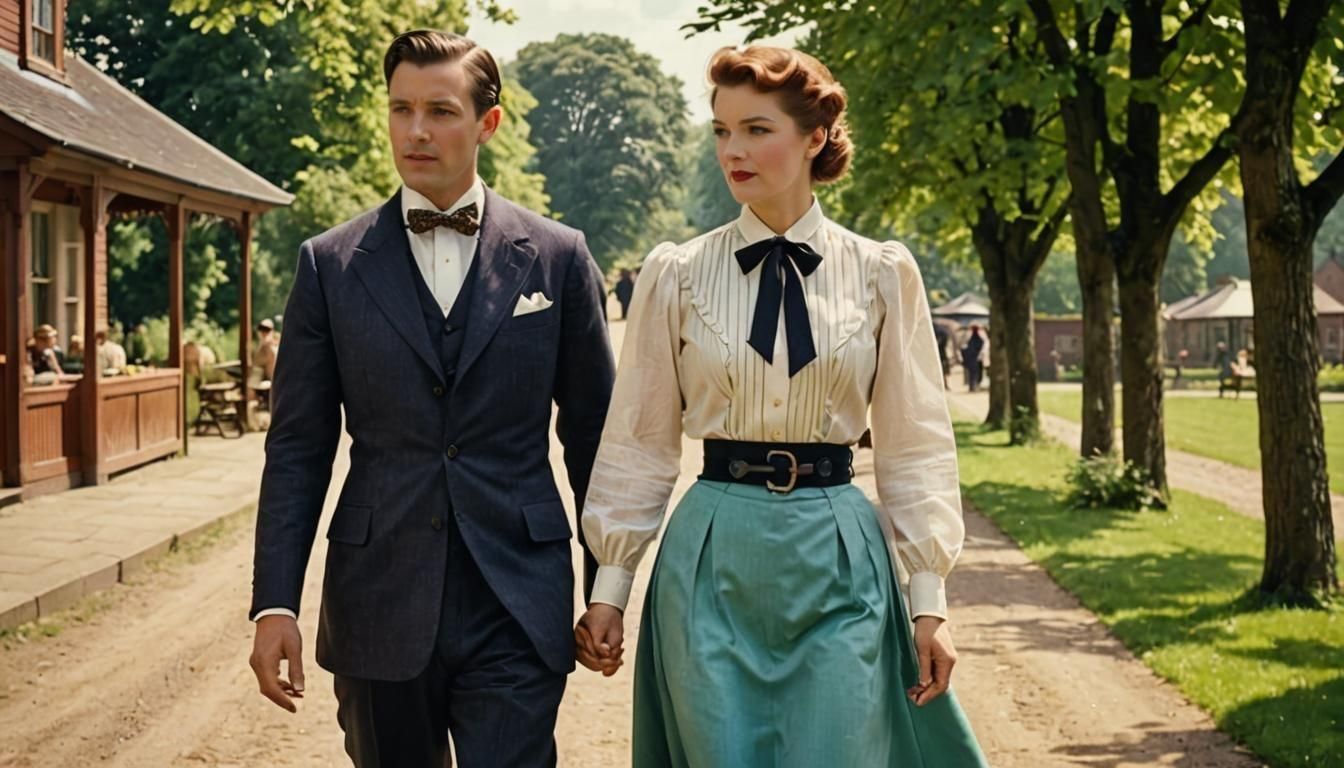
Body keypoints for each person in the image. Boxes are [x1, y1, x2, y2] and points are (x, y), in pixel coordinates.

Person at [575, 45, 986, 766]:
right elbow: (639, 439)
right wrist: (611, 587)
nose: (732, 150)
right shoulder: (675, 274)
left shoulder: (883, 273)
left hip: (839, 556)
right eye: (720, 130)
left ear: (815, 137)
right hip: (712, 557)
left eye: (756, 129)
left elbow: (915, 442)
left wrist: (929, 601)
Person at [247, 30, 615, 768]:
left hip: (519, 594)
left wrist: (610, 582)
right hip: (378, 599)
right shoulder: (329, 265)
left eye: (440, 111)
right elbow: (297, 447)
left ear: (488, 123)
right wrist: (274, 601)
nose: (415, 131)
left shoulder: (558, 256)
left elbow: (595, 439)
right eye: (400, 109)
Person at [962, 323, 986, 392]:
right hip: (975, 358)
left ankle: (973, 386)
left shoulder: (972, 338)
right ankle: (973, 386)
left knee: (973, 373)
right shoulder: (977, 338)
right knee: (975, 373)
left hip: (973, 358)